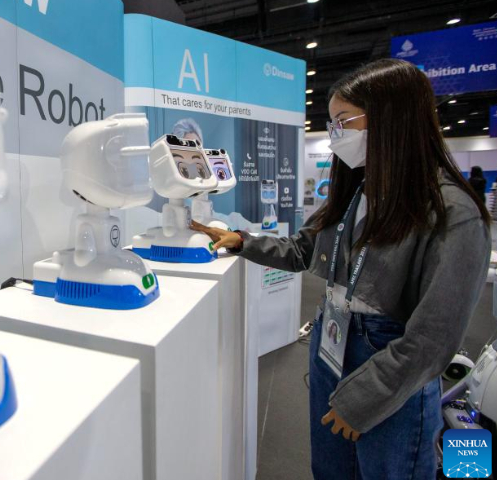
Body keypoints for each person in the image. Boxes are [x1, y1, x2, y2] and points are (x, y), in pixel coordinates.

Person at [192, 58, 491, 479]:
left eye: (343, 122)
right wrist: (243, 241)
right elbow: (304, 248)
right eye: (331, 123)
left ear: (391, 118)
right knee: (331, 470)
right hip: (332, 346)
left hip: (389, 367)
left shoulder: (452, 213)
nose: (335, 136)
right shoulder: (361, 190)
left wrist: (365, 398)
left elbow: (433, 338)